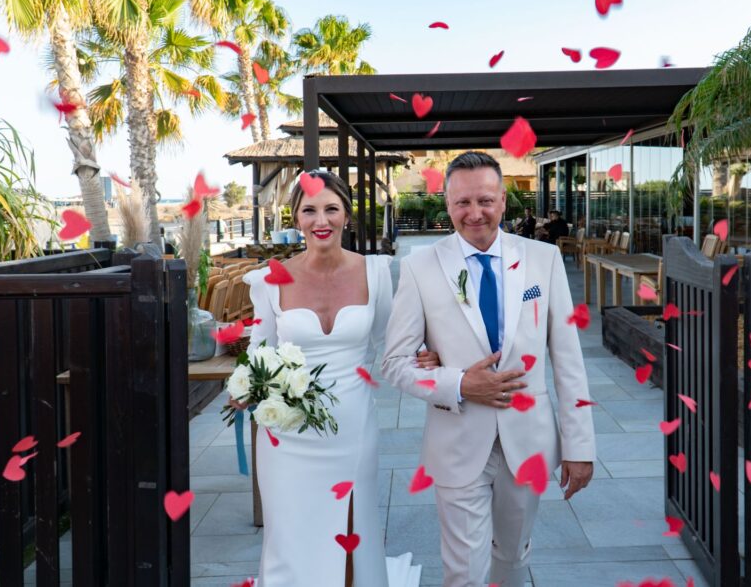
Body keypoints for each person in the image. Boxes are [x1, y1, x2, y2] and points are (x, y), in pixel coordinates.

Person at [381, 152, 596, 587]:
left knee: (514, 556)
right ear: (446, 203)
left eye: (484, 200)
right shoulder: (421, 267)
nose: (474, 213)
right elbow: (394, 363)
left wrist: (580, 445)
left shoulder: (543, 259)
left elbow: (568, 358)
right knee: (464, 570)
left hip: (529, 438)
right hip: (457, 440)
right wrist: (459, 383)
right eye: (462, 202)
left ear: (502, 202)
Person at [239, 170, 436, 587]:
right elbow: (259, 349)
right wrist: (248, 386)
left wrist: (427, 356)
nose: (321, 219)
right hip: (286, 433)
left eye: (331, 208)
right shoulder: (269, 279)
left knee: (350, 527)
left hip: (352, 425)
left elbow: (391, 342)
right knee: (290, 532)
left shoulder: (380, 273)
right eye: (309, 210)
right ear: (295, 218)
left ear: (347, 214)